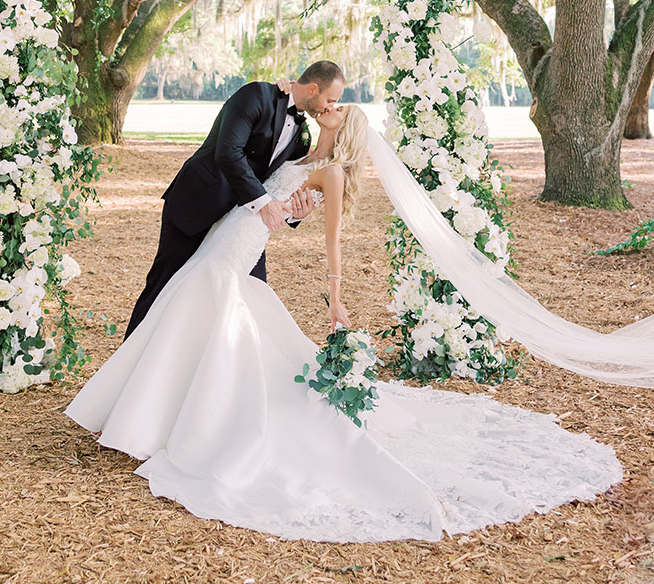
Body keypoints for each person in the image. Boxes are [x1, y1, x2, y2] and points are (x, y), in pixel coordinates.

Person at [65, 104, 622, 543]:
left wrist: (335, 300)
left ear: (346, 123)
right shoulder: (305, 149)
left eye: (335, 108)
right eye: (328, 102)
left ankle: (188, 420)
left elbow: (330, 243)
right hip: (226, 234)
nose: (327, 108)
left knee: (216, 321)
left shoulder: (330, 173)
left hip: (239, 249)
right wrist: (282, 203)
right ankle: (160, 410)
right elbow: (266, 184)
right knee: (191, 313)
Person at [123, 60, 346, 338]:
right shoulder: (256, 96)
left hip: (241, 224)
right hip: (197, 203)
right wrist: (264, 204)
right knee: (165, 284)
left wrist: (294, 214)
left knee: (251, 296)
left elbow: (276, 186)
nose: (329, 106)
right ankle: (130, 360)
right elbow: (228, 153)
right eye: (330, 99)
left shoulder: (302, 138)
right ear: (313, 88)